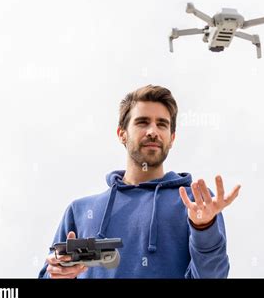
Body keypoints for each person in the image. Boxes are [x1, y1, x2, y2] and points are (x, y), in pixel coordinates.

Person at [38, 84, 241, 278]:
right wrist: (56, 274)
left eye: (162, 124)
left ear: (172, 138)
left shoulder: (193, 203)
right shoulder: (80, 211)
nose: (153, 131)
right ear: (122, 134)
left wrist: (204, 228)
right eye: (142, 122)